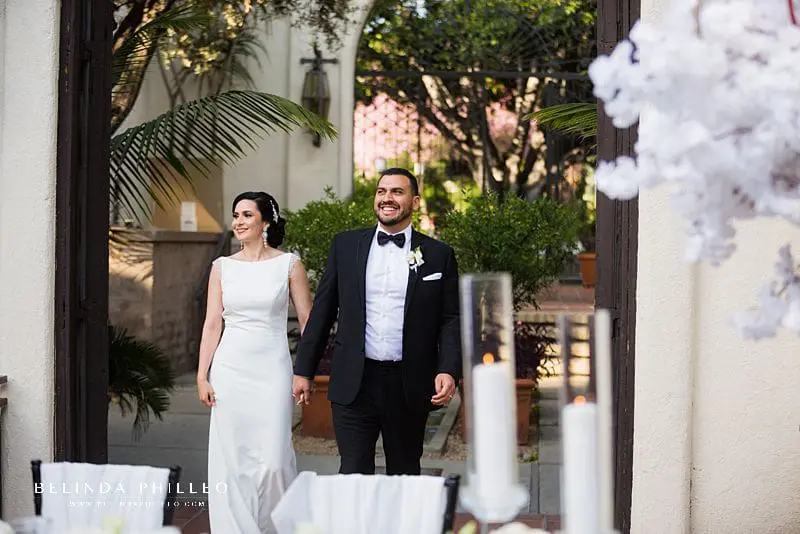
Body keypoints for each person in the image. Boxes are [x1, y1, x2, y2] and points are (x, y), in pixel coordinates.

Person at [293, 168, 462, 476]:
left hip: (409, 384)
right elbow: (323, 311)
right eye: (382, 191)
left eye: (397, 192)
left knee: (404, 472)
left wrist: (448, 369)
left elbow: (450, 319)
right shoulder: (345, 246)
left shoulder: (438, 255)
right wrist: (304, 370)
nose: (387, 198)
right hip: (355, 382)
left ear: (414, 201)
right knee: (353, 473)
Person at [197, 191, 313, 534]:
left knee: (275, 460)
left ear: (266, 221)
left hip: (273, 369)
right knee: (232, 460)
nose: (238, 222)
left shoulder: (289, 264)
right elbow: (212, 323)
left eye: (247, 215)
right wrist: (202, 375)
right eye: (236, 215)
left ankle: (276, 527)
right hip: (230, 370)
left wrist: (306, 371)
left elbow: (308, 321)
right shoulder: (222, 267)